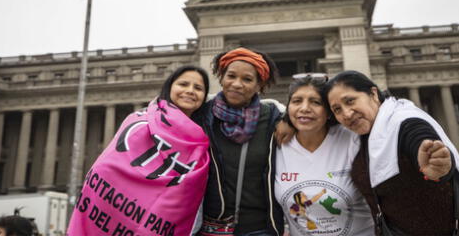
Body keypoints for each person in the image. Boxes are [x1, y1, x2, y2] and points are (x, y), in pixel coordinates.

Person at [325, 70, 459, 236]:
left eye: (350, 101)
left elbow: (421, 138)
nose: (346, 114)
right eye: (337, 110)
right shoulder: (360, 139)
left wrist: (438, 164)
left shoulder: (404, 120)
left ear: (373, 94)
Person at [67, 65, 211, 236]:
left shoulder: (204, 135)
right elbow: (108, 165)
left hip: (168, 220)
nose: (190, 91)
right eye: (183, 84)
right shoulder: (141, 119)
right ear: (170, 86)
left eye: (198, 88)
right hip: (119, 208)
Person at [274, 74, 373, 236]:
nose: (304, 108)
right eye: (297, 101)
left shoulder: (352, 138)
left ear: (329, 112)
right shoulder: (276, 144)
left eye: (316, 102)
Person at [200, 47, 284, 236]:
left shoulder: (273, 118)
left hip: (259, 228)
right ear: (221, 78)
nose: (237, 84)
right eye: (231, 76)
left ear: (259, 86)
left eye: (247, 79)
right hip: (210, 228)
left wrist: (288, 121)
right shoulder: (202, 115)